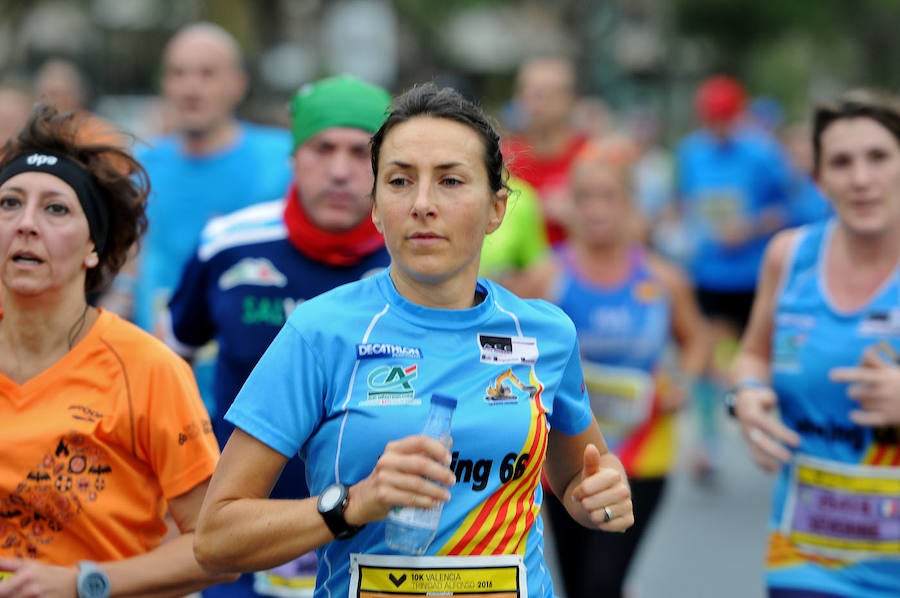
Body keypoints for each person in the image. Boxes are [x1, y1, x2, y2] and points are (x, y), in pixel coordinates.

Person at [193, 83, 634, 598]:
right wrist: (353, 505)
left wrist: (598, 497)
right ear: (376, 207)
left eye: (450, 180)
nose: (423, 204)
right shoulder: (320, 331)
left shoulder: (544, 333)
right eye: (400, 181)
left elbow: (580, 480)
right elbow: (216, 538)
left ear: (496, 209)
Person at [163, 75, 392, 597]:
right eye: (322, 148)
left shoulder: (413, 262)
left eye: (360, 152)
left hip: (373, 546)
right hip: (240, 541)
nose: (339, 170)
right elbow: (169, 364)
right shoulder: (230, 243)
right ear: (294, 157)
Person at [0, 104, 234, 596]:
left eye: (56, 209)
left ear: (94, 248)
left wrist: (83, 582)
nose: (25, 224)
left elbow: (219, 548)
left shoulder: (147, 369)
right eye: (9, 203)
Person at [728, 88, 900, 597]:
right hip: (806, 556)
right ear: (819, 179)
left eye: (878, 157)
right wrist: (748, 397)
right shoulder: (791, 256)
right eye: (842, 163)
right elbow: (753, 354)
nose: (862, 178)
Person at [536, 142, 708, 597]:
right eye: (584, 198)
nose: (595, 209)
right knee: (576, 580)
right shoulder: (547, 276)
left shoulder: (663, 279)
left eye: (608, 196)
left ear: (631, 206)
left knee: (602, 581)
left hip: (643, 449)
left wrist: (683, 383)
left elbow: (696, 343)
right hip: (568, 448)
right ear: (569, 207)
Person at [133, 21, 293, 334]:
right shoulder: (139, 167)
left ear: (238, 84)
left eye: (207, 74)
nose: (191, 88)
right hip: (159, 363)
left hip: (254, 362)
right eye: (178, 73)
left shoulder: (283, 159)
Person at [674, 74, 793, 479]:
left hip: (756, 273)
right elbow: (685, 203)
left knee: (764, 356)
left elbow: (787, 210)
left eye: (724, 117)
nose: (717, 126)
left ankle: (775, 430)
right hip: (709, 271)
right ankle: (707, 443)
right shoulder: (691, 152)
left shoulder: (763, 153)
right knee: (707, 354)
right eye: (710, 118)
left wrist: (750, 227)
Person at [503, 56, 590, 246]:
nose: (537, 101)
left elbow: (634, 231)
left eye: (547, 93)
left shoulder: (592, 157)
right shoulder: (502, 160)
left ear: (571, 99)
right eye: (529, 91)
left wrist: (576, 217)